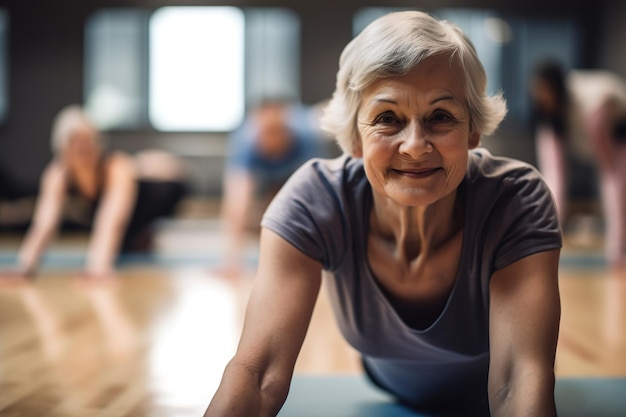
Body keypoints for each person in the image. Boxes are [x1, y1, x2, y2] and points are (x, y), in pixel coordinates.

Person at [205, 10, 561, 417]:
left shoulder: (516, 199)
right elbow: (258, 373)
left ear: (473, 132)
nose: (414, 145)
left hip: (485, 388)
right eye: (387, 118)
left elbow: (518, 380)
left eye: (440, 117)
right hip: (389, 380)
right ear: (355, 136)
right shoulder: (315, 200)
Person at [1, 105, 188, 280]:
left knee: (136, 172)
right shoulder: (58, 173)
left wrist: (98, 267)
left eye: (87, 141)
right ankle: (141, 236)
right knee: (126, 245)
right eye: (75, 141)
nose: (82, 148)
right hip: (127, 211)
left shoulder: (116, 167)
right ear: (62, 147)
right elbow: (44, 222)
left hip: (162, 191)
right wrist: (24, 266)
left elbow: (112, 219)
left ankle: (144, 230)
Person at [217, 99, 327, 278]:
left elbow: (321, 194)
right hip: (265, 181)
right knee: (265, 215)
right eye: (267, 133)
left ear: (287, 129)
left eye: (277, 132)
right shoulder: (246, 142)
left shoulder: (306, 135)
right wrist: (232, 261)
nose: (272, 140)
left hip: (294, 173)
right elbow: (237, 203)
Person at [531, 60, 626, 267]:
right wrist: (545, 240)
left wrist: (615, 249)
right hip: (592, 122)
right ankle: (543, 242)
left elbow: (610, 175)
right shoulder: (549, 119)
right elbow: (554, 178)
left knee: (615, 184)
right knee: (553, 181)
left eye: (545, 90)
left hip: (611, 124)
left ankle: (617, 249)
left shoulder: (595, 104)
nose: (541, 96)